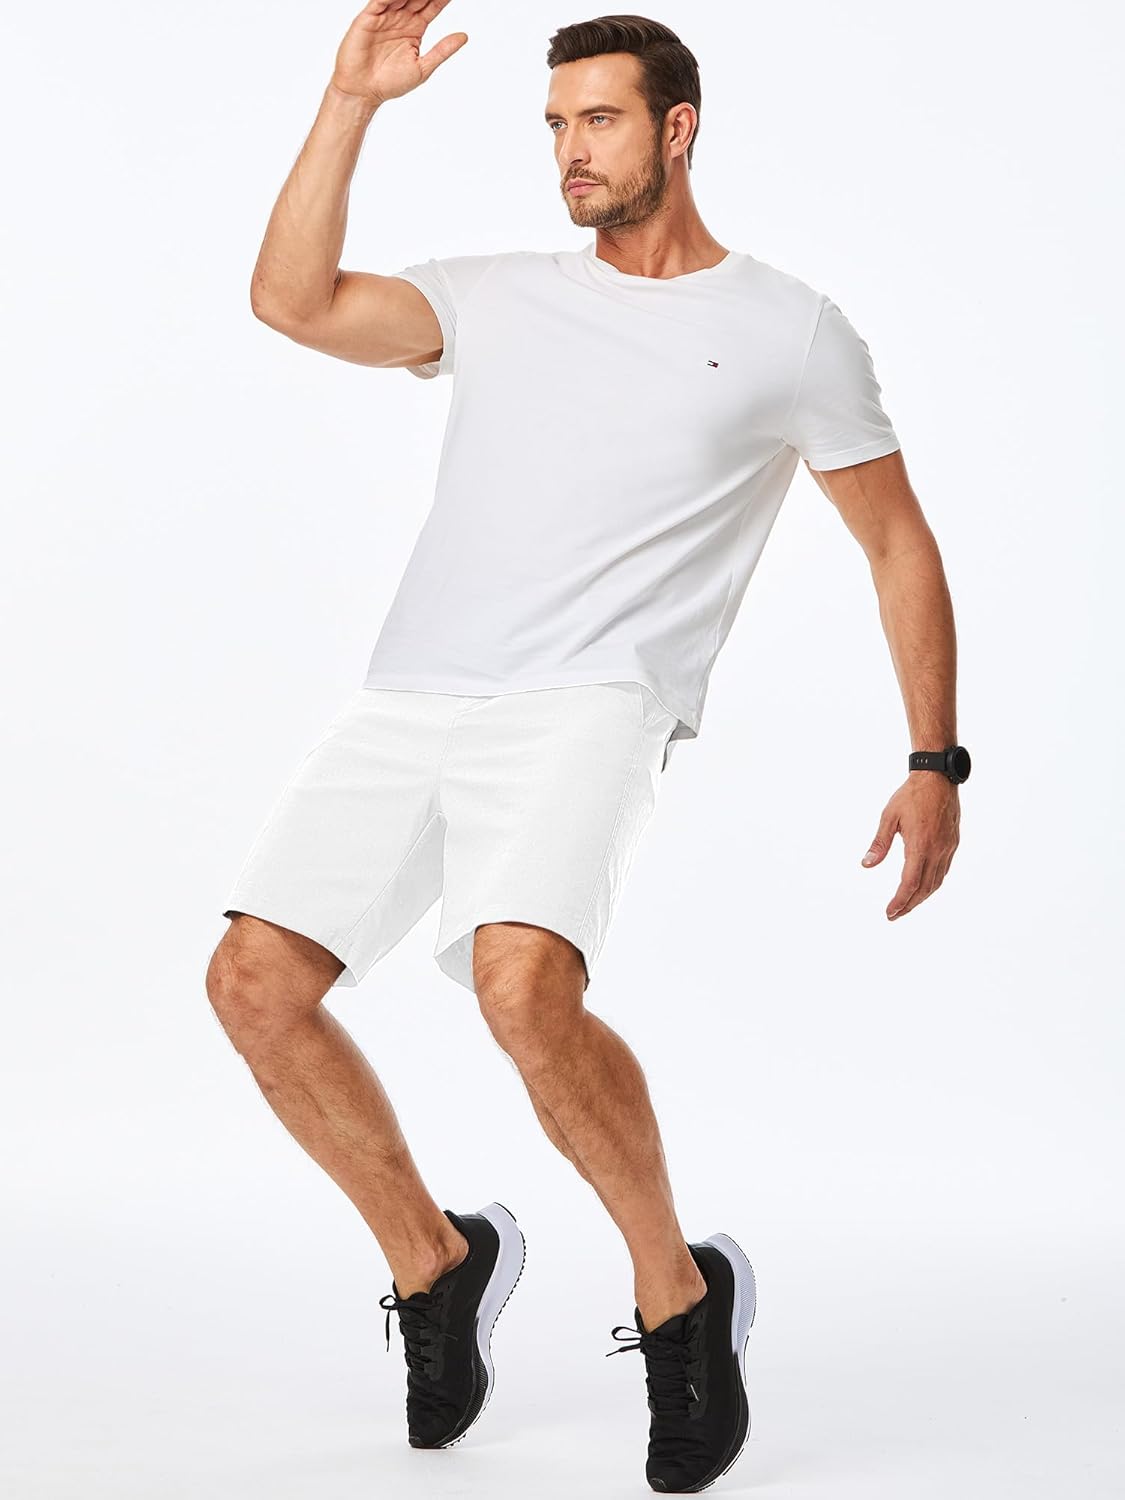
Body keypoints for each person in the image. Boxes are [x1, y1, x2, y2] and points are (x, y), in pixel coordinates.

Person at [206, 4, 966, 1492]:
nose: (571, 150)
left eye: (599, 120)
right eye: (555, 125)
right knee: (252, 985)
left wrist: (933, 760)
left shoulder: (790, 330)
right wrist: (351, 101)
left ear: (677, 129)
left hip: (596, 700)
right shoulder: (493, 296)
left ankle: (678, 1298)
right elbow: (292, 303)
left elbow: (896, 544)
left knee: (522, 987)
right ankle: (434, 1267)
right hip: (415, 690)